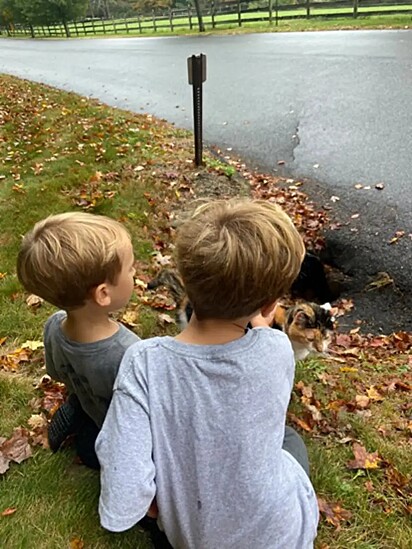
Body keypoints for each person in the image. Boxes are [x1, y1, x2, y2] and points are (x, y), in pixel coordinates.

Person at [96, 199, 319, 549]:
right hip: (282, 535)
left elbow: (123, 501)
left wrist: (159, 503)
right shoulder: (276, 349)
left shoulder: (144, 364)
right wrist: (259, 314)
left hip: (196, 537)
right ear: (270, 305)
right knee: (290, 443)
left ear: (185, 280)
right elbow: (257, 334)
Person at [16, 212, 140, 469]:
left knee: (87, 424)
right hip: (119, 430)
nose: (135, 271)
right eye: (130, 268)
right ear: (103, 294)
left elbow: (57, 373)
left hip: (88, 399)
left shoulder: (54, 326)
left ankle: (78, 410)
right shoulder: (130, 352)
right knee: (102, 452)